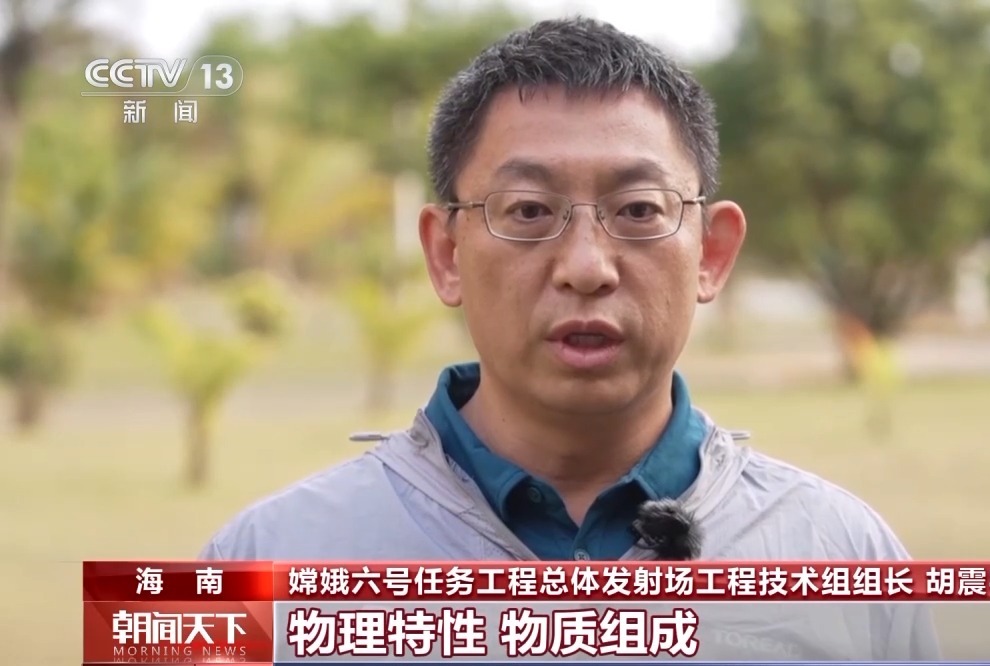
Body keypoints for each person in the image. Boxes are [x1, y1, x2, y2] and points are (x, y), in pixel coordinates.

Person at [199, 16, 938, 661]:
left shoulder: (844, 563)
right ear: (446, 255)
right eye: (528, 210)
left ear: (711, 254)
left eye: (639, 209)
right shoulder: (262, 570)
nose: (586, 268)